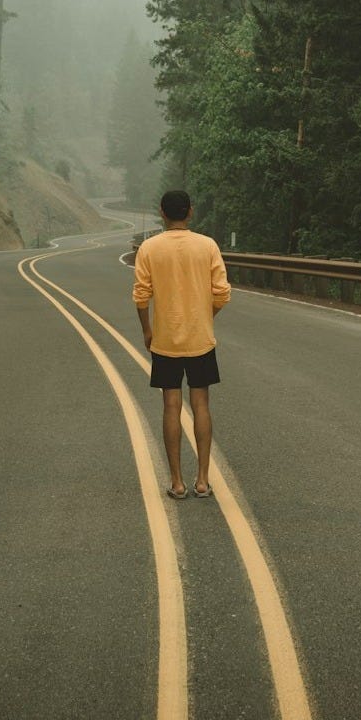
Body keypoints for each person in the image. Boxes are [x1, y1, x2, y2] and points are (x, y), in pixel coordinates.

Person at [133, 190, 231, 500]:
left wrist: (148, 331)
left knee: (171, 405)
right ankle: (202, 480)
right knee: (201, 403)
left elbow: (141, 296)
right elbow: (223, 293)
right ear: (190, 212)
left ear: (162, 213)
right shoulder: (207, 246)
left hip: (165, 341)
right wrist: (205, 315)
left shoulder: (149, 248)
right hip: (200, 339)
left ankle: (176, 483)